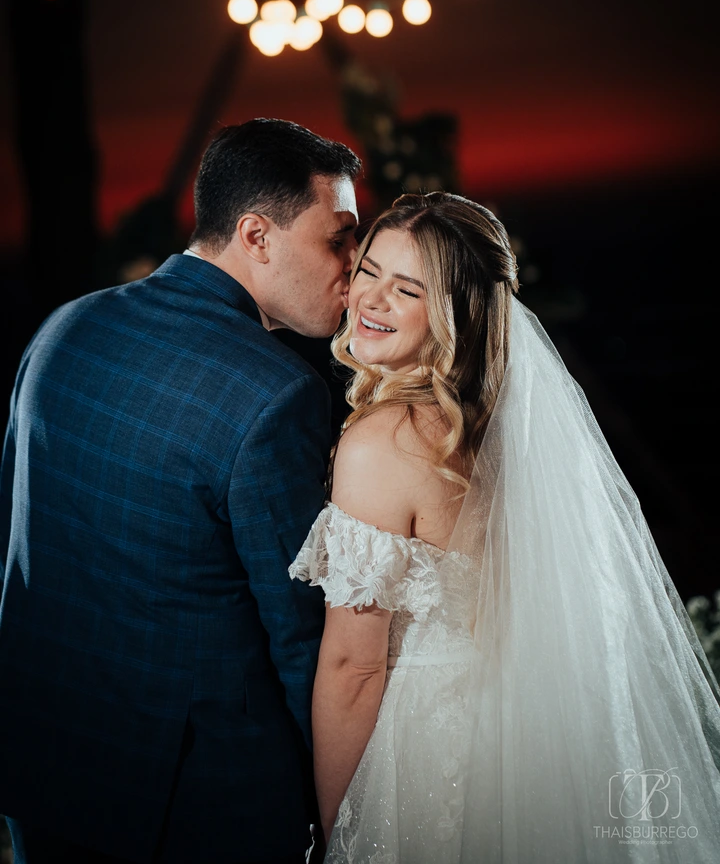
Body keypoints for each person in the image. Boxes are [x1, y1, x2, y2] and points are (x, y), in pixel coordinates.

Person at [290, 192, 720, 863]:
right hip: (532, 736)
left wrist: (337, 827)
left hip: (429, 755)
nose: (371, 300)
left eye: (407, 289)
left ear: (457, 312)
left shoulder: (383, 443)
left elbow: (353, 666)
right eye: (369, 270)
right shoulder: (511, 428)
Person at [0, 118, 361, 864]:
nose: (354, 269)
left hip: (40, 763)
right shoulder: (277, 393)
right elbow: (303, 641)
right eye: (338, 238)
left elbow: (20, 542)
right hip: (200, 800)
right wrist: (343, 818)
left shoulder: (65, 325)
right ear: (256, 235)